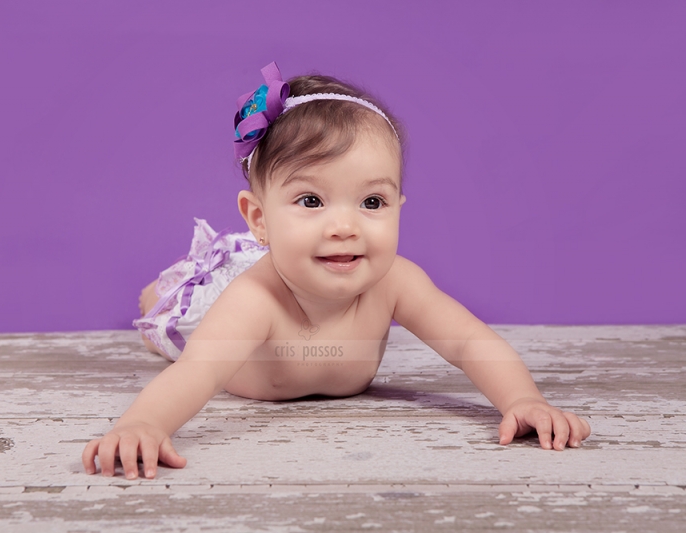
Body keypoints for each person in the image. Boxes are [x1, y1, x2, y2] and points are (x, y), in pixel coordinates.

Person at [82, 61, 591, 480]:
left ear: (399, 207)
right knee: (168, 312)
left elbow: (468, 342)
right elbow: (199, 371)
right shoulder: (255, 299)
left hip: (279, 261)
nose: (345, 227)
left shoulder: (395, 281)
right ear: (259, 218)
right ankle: (166, 289)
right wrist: (144, 423)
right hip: (226, 308)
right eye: (311, 201)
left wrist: (523, 399)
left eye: (372, 202)